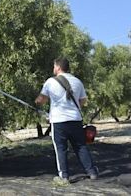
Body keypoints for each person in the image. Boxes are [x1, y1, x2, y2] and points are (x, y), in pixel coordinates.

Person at [35, 57, 98, 185]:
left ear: (58, 67)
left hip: (59, 122)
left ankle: (64, 176)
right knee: (80, 146)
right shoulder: (77, 81)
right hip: (75, 120)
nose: (53, 69)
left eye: (54, 66)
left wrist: (36, 102)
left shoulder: (50, 82)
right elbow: (83, 101)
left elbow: (42, 100)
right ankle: (92, 172)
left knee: (61, 148)